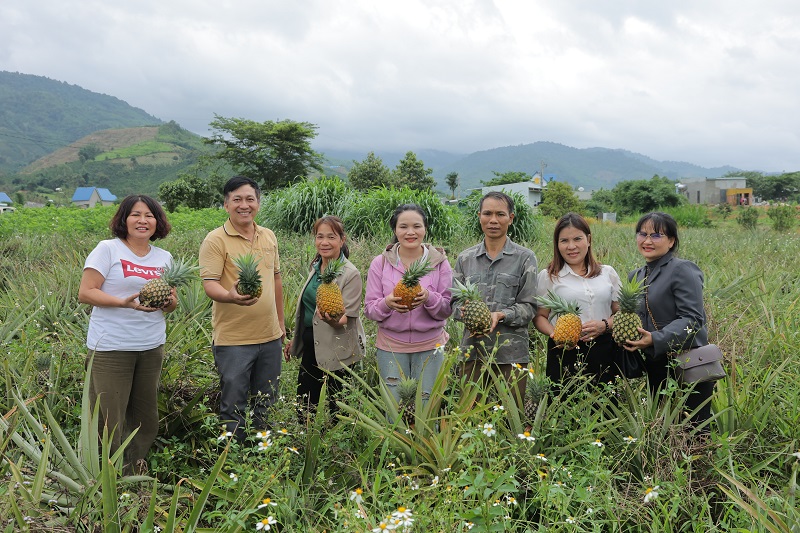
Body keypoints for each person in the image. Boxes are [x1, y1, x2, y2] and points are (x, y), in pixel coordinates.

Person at [78, 195, 177, 474]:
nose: (142, 220)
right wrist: (122, 302)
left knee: (145, 415)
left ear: (157, 222)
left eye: (149, 215)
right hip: (111, 346)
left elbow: (172, 303)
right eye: (135, 214)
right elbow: (86, 292)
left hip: (150, 345)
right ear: (124, 219)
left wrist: (168, 302)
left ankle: (133, 470)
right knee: (109, 416)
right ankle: (103, 474)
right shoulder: (108, 249)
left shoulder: (164, 257)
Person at [199, 176, 285, 440]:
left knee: (267, 401)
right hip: (234, 339)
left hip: (270, 336)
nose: (244, 205)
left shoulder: (268, 236)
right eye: (237, 199)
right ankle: (233, 454)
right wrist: (229, 296)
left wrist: (281, 325)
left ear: (258, 203)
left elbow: (276, 280)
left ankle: (263, 451)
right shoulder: (215, 240)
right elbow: (210, 284)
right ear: (226, 204)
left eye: (250, 199)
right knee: (233, 404)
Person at [622, 212, 714, 428]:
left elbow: (693, 319)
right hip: (655, 363)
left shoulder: (682, 269)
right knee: (661, 428)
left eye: (656, 235)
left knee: (693, 429)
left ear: (671, 241)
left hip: (688, 362)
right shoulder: (636, 275)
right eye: (642, 234)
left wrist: (656, 338)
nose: (647, 241)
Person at [453, 191, 538, 406]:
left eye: (500, 214)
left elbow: (529, 307)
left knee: (512, 415)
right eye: (487, 213)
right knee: (470, 415)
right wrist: (463, 312)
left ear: (511, 218)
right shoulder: (465, 258)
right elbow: (453, 301)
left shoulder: (525, 258)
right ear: (479, 216)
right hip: (473, 352)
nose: (493, 220)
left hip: (511, 355)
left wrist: (501, 315)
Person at [364, 204, 453, 407]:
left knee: (428, 406)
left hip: (430, 345)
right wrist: (387, 303)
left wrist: (429, 298)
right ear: (395, 230)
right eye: (403, 226)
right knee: (393, 408)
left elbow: (448, 308)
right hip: (391, 345)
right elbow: (369, 309)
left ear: (425, 229)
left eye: (417, 226)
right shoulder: (380, 263)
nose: (410, 232)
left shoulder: (440, 262)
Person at [285, 216, 366, 420]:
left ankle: (338, 440)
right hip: (311, 343)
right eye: (320, 236)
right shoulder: (316, 266)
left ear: (342, 239)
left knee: (338, 407)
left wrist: (331, 320)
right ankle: (307, 437)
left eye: (331, 237)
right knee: (305, 404)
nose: (324, 242)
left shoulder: (351, 274)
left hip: (337, 348)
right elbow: (307, 310)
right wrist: (296, 339)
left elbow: (347, 318)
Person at [534, 213, 621, 385]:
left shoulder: (607, 272)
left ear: (588, 240)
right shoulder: (549, 276)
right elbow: (539, 316)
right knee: (563, 399)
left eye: (577, 239)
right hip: (564, 350)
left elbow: (621, 312)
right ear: (557, 244)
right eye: (564, 241)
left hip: (604, 349)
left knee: (605, 399)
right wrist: (555, 334)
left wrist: (604, 325)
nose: (571, 246)